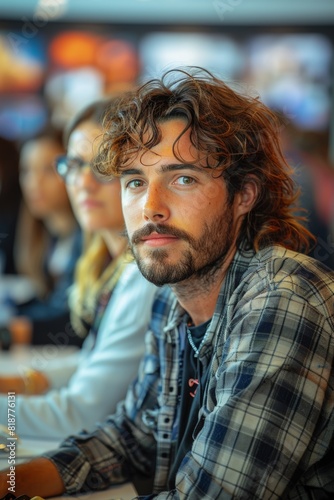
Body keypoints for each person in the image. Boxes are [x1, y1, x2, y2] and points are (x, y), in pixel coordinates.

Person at [0, 67, 333, 498]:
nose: (151, 208)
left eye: (182, 179)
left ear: (244, 196)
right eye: (135, 182)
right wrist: (13, 481)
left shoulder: (281, 300)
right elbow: (134, 436)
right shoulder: (171, 297)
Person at [0, 99, 157, 439]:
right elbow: (89, 361)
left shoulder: (147, 274)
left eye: (101, 167)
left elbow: (77, 416)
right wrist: (19, 382)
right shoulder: (109, 261)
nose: (82, 183)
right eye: (73, 165)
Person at [1, 128, 83, 348]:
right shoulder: (45, 238)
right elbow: (49, 305)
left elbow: (74, 322)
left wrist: (8, 333)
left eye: (48, 170)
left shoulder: (89, 238)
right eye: (26, 171)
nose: (34, 182)